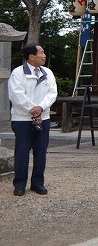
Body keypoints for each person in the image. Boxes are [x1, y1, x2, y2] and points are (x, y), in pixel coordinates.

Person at [8, 43, 58, 196]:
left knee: (41, 152)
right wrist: (33, 110)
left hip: (44, 117)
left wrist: (41, 108)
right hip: (22, 118)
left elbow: (52, 93)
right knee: (22, 152)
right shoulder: (18, 73)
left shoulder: (48, 72)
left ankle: (37, 183)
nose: (44, 55)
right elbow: (16, 95)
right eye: (41, 53)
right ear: (31, 57)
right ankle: (20, 184)